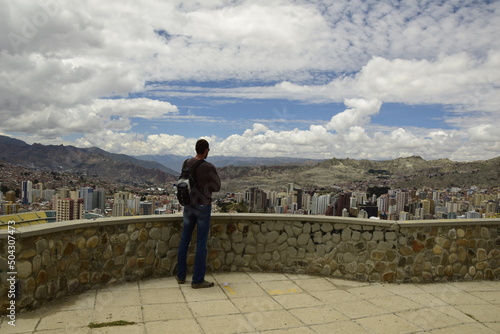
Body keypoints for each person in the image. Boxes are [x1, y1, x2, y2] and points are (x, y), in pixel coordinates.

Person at [176, 139, 221, 288]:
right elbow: (217, 187)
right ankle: (197, 280)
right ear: (206, 150)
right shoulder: (208, 167)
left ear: (196, 149)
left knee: (184, 240)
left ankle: (181, 275)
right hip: (202, 206)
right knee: (201, 243)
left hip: (188, 205)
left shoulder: (186, 163)